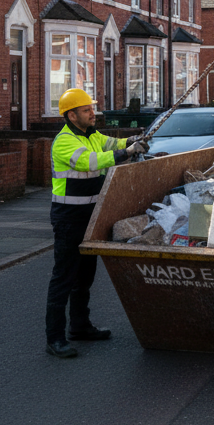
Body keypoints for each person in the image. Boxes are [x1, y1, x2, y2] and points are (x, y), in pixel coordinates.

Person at [45, 88, 149, 358]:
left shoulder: (91, 135)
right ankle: (54, 338)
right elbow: (91, 162)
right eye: (87, 110)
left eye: (92, 108)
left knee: (85, 275)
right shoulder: (65, 141)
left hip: (91, 214)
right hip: (69, 217)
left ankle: (79, 327)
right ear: (72, 114)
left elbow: (112, 144)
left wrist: (135, 140)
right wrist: (127, 153)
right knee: (64, 277)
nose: (94, 113)